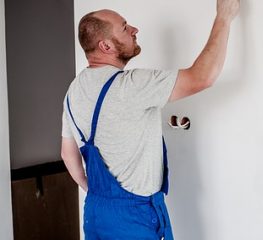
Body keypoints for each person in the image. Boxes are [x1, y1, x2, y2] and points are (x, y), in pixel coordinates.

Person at [61, 0, 240, 239]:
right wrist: (224, 17)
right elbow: (202, 77)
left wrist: (96, 193)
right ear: (105, 46)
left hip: (96, 212)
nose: (134, 29)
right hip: (135, 219)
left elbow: (67, 153)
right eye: (124, 28)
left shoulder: (74, 90)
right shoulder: (130, 86)